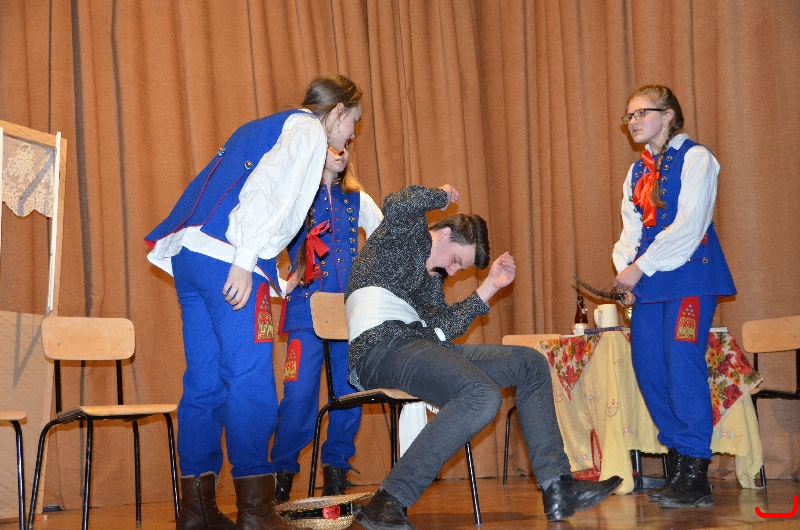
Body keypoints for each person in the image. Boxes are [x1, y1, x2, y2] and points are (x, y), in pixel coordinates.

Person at [145, 75, 363, 530]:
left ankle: (197, 511)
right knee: (249, 379)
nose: (351, 135)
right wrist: (244, 260)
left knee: (203, 382)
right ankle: (256, 513)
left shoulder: (264, 126)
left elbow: (233, 192)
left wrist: (272, 273)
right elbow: (265, 193)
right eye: (352, 123)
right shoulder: (307, 130)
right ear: (337, 112)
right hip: (228, 257)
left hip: (191, 256)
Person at [345, 184, 623, 529]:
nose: (453, 272)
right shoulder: (402, 233)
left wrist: (490, 286)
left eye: (459, 269)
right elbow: (398, 203)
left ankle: (557, 487)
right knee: (481, 395)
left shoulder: (431, 284)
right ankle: (388, 500)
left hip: (417, 346)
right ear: (444, 234)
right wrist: (440, 196)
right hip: (378, 349)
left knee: (530, 364)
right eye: (456, 261)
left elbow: (442, 330)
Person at [611, 85, 736, 509]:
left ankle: (696, 472)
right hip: (650, 280)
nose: (632, 122)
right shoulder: (636, 172)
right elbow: (631, 231)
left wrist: (639, 268)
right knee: (649, 367)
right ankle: (678, 464)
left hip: (691, 278)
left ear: (667, 115)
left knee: (681, 363)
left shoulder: (697, 158)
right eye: (628, 116)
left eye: (641, 113)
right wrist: (626, 272)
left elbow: (690, 225)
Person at [270, 144, 383, 501]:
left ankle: (336, 471)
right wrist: (281, 283)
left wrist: (369, 284)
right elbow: (262, 240)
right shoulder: (293, 196)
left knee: (350, 394)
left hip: (348, 314)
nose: (342, 152)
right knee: (298, 395)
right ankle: (281, 474)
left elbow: (384, 241)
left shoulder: (358, 199)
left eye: (346, 146)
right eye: (333, 146)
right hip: (305, 312)